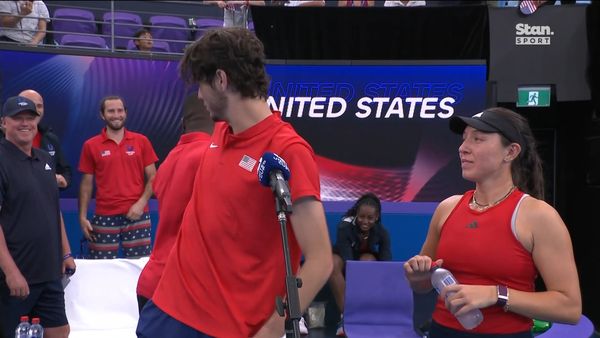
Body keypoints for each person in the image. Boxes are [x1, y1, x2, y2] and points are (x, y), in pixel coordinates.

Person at [136, 27, 333, 338]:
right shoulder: (220, 134)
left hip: (228, 328)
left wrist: (272, 329)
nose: (199, 96)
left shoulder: (289, 151)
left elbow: (321, 259)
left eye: (201, 84)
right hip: (166, 312)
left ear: (221, 80)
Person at [404, 107, 581, 337]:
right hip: (441, 331)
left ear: (510, 152)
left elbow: (569, 308)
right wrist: (418, 278)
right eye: (464, 138)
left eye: (477, 139)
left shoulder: (538, 216)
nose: (463, 147)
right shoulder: (447, 208)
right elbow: (424, 285)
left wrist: (496, 294)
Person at [0, 96, 75, 338]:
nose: (25, 123)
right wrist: (11, 273)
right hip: (13, 279)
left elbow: (53, 210)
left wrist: (65, 253)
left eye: (30, 118)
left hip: (50, 273)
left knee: (60, 331)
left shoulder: (45, 159)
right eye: (17, 118)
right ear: (3, 123)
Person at [135, 94, 214, 312]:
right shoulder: (212, 157)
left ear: (182, 124)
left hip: (153, 282)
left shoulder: (169, 160)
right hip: (183, 289)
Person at [78, 96, 158, 259]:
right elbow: (86, 185)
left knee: (139, 269)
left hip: (138, 216)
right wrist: (82, 217)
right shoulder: (90, 145)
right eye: (111, 111)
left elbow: (153, 177)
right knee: (101, 269)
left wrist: (141, 204)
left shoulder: (141, 141)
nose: (116, 115)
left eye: (120, 110)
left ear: (126, 113)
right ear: (102, 115)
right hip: (104, 216)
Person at [328, 192, 392, 337]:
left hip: (362, 260)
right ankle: (346, 317)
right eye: (362, 216)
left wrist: (384, 283)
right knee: (332, 262)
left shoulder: (382, 232)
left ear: (376, 217)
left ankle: (364, 315)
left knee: (367, 260)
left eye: (370, 218)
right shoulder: (344, 227)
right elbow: (347, 259)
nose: (365, 221)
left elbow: (386, 261)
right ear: (356, 214)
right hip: (344, 259)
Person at [17, 89, 72, 190]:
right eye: (32, 105)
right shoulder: (5, 139)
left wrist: (63, 180)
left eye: (39, 106)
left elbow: (65, 171)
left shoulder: (50, 138)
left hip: (45, 203)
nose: (37, 110)